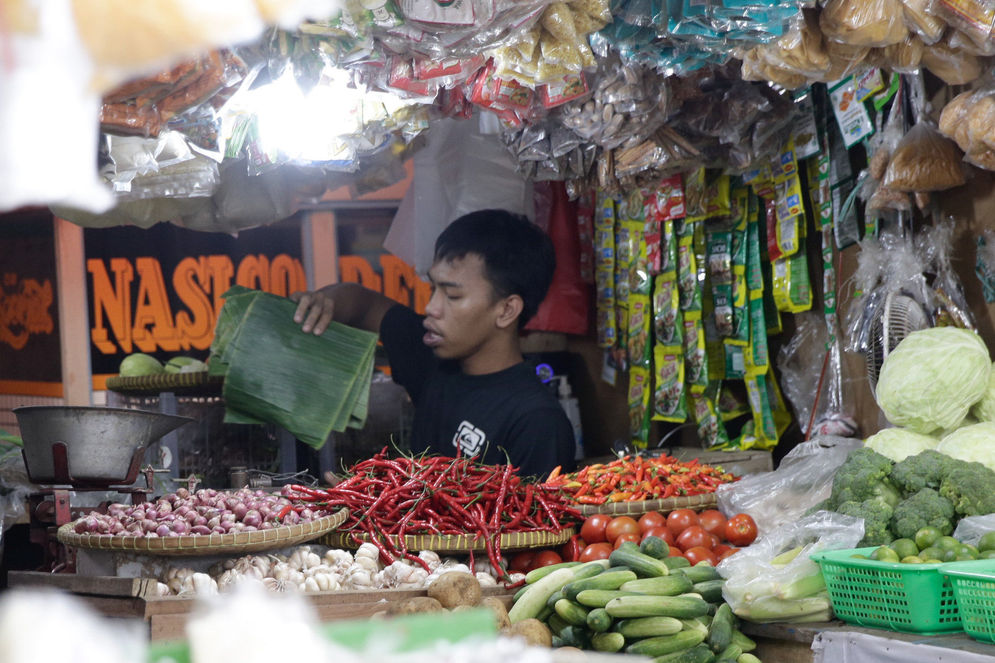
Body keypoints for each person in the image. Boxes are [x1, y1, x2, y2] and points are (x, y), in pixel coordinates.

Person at [291, 209, 576, 479]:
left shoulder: (536, 421)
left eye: (452, 296)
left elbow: (531, 529)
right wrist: (324, 303)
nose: (431, 307)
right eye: (433, 289)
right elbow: (363, 304)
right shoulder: (432, 356)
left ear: (506, 310)